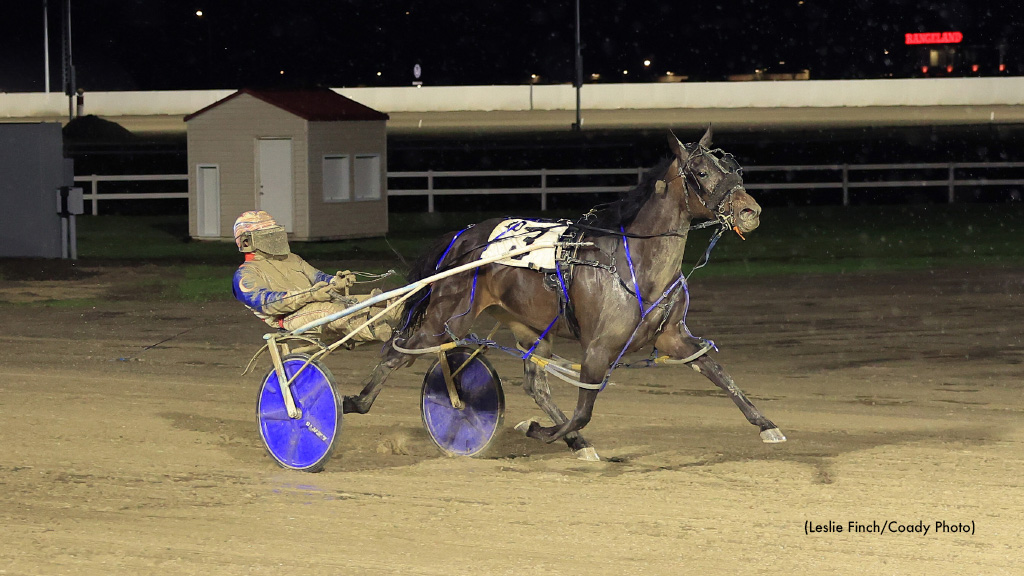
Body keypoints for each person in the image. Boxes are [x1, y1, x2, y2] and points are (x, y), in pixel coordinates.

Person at [231, 210, 397, 345]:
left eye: (274, 234)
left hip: (318, 303)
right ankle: (377, 328)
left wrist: (335, 282)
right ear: (247, 242)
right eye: (267, 236)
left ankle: (400, 314)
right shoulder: (245, 275)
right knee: (336, 312)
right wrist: (310, 295)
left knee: (380, 300)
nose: (274, 239)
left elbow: (317, 276)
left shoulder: (292, 258)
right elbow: (268, 303)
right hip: (289, 318)